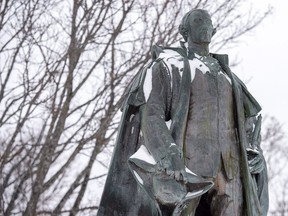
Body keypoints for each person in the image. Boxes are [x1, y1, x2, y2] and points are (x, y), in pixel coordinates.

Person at [98, 9, 268, 216]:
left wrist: (253, 151)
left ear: (214, 31)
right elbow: (151, 115)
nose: (204, 24)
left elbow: (247, 124)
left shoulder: (228, 77)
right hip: (186, 169)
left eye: (208, 22)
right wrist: (167, 153)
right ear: (183, 30)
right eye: (198, 20)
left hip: (230, 171)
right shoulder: (169, 66)